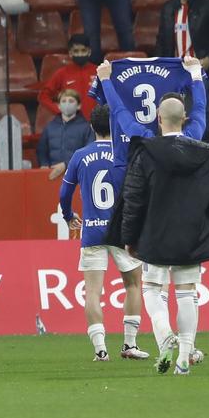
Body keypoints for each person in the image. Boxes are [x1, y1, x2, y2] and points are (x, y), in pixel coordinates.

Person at [117, 90, 209, 376]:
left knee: (152, 289)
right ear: (185, 119)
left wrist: (129, 236)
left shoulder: (146, 153)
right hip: (192, 233)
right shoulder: (203, 153)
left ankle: (165, 336)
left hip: (155, 233)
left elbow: (133, 197)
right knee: (187, 293)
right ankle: (185, 355)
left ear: (158, 119)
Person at [59, 104, 147, 362]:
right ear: (114, 126)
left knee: (93, 292)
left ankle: (100, 349)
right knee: (133, 285)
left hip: (92, 232)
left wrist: (68, 216)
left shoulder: (80, 155)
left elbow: (64, 194)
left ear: (91, 127)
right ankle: (129, 344)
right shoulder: (125, 154)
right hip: (122, 230)